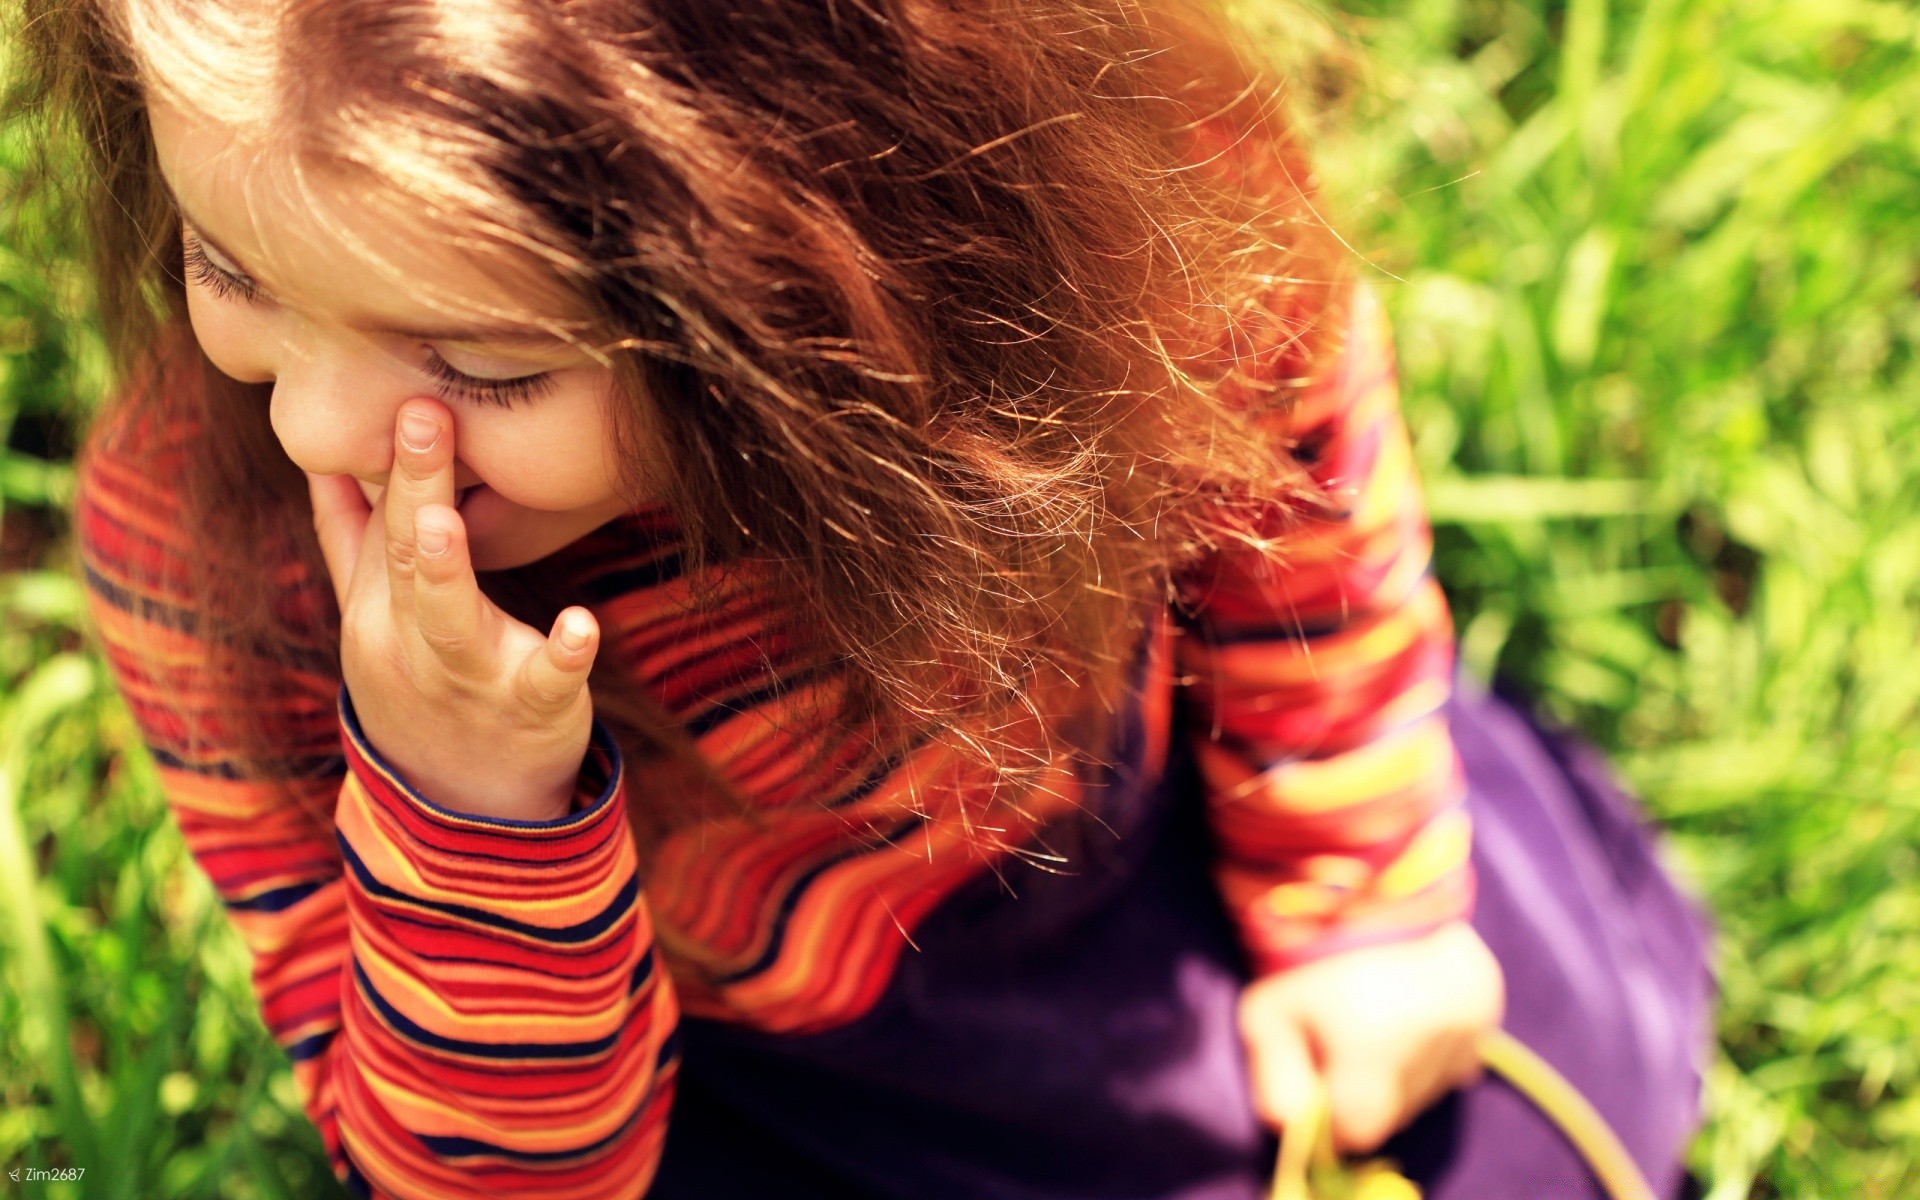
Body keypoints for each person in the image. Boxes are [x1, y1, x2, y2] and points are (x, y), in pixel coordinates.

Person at [30, 0, 1714, 1195]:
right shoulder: (217, 554)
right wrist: (474, 804)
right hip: (727, 1076)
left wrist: (1362, 908)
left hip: (1151, 850)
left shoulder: (1104, 236)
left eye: (486, 364)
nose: (312, 425)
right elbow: (479, 1179)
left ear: (820, 255)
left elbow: (1293, 508)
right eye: (233, 269)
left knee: (1509, 1130)